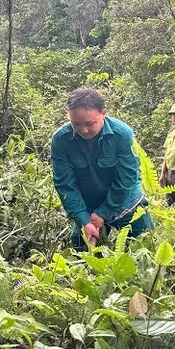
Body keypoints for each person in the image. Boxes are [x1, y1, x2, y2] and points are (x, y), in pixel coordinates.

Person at [51, 88, 154, 250]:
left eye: (89, 124)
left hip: (126, 202)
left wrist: (102, 215)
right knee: (82, 253)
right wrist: (84, 220)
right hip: (88, 206)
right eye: (76, 123)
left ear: (103, 113)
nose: (83, 130)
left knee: (145, 249)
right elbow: (65, 185)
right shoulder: (61, 140)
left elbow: (126, 179)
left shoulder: (122, 135)